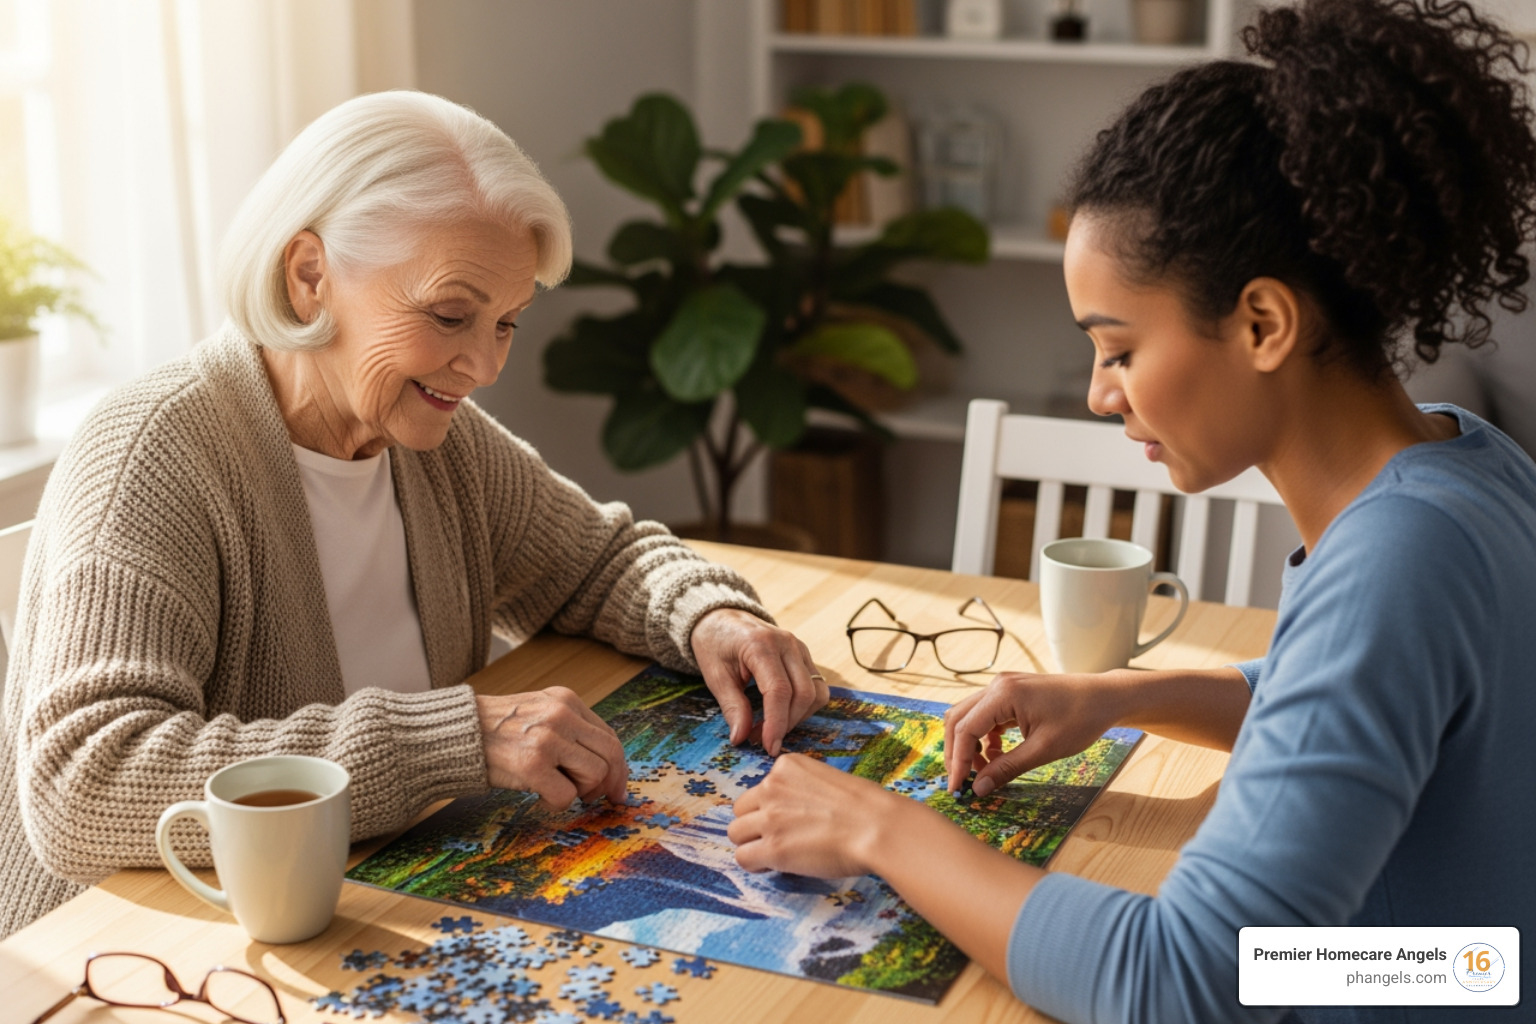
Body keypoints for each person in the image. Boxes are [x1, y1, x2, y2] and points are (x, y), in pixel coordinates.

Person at [727, 1, 1536, 1021]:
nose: (1101, 393)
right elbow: (1344, 701)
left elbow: (1182, 983)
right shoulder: (1467, 460)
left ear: (1262, 322)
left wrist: (881, 828)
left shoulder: (1397, 563)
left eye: (1118, 349)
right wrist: (1119, 695)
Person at [0, 91, 827, 939]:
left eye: (506, 322)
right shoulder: (155, 452)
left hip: (385, 904)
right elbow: (80, 782)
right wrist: (450, 736)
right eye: (448, 314)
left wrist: (711, 615)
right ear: (310, 275)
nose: (484, 364)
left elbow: (599, 562)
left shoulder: (438, 442)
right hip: (147, 949)